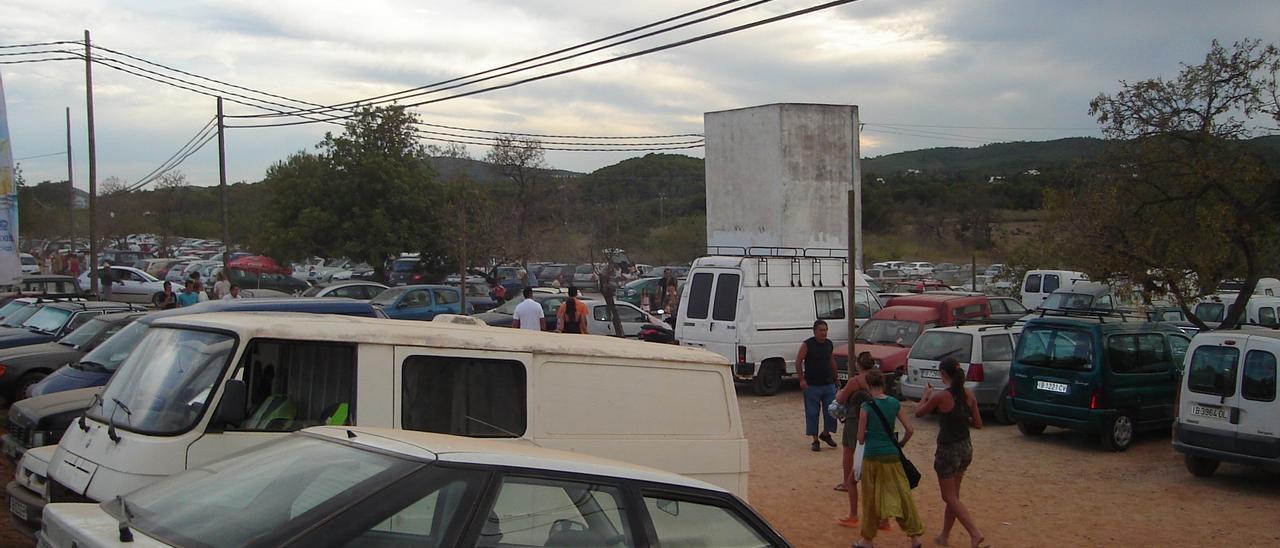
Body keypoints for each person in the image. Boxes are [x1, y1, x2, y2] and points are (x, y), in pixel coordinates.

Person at [915, 357, 985, 548]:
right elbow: (978, 424)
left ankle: (974, 532)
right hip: (965, 447)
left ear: (943, 374)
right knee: (954, 496)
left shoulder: (941, 396)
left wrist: (925, 395)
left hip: (948, 449)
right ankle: (944, 535)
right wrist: (963, 419)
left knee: (949, 497)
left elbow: (919, 413)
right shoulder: (969, 395)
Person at [854, 369, 924, 548]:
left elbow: (860, 438)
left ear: (868, 386)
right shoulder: (894, 403)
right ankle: (915, 537)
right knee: (902, 496)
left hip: (872, 457)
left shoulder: (866, 407)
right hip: (892, 456)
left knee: (870, 501)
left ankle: (867, 540)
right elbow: (910, 430)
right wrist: (900, 444)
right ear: (883, 384)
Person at [834, 352, 890, 531]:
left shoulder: (855, 382)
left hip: (855, 420)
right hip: (877, 427)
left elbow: (841, 399)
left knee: (850, 453)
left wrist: (838, 394)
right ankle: (884, 517)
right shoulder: (878, 382)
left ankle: (853, 512)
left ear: (858, 365)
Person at [796, 319, 839, 451]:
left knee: (831, 411)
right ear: (815, 331)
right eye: (821, 330)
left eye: (825, 330)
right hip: (812, 385)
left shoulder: (829, 344)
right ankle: (815, 440)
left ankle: (826, 434)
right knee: (813, 413)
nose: (823, 333)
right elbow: (798, 361)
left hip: (828, 384)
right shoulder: (807, 344)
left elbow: (832, 361)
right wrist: (802, 379)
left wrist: (836, 377)